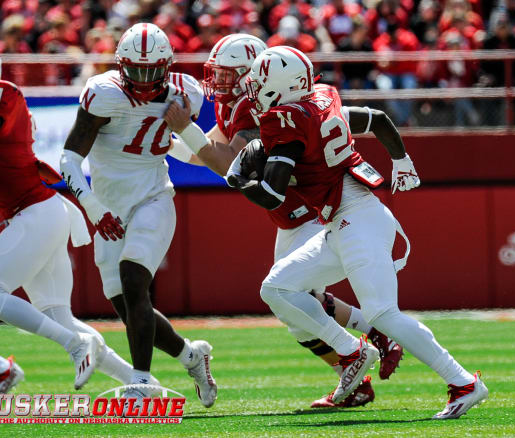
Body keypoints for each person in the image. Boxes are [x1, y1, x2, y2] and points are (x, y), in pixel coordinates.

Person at [227, 46, 488, 419]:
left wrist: (236, 180)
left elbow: (271, 195)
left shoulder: (284, 120)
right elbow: (379, 119)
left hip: (356, 220)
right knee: (277, 288)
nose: (253, 90)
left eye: (260, 83)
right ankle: (351, 350)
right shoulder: (321, 99)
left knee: (383, 313)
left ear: (280, 87)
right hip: (346, 220)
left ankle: (463, 383)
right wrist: (402, 160)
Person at [165, 33, 403, 408]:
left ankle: (361, 350)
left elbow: (228, 162)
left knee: (292, 298)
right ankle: (363, 361)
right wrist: (169, 142)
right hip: (289, 216)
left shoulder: (259, 106)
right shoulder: (237, 104)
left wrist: (184, 130)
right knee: (299, 305)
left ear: (253, 74)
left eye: (228, 75)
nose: (219, 82)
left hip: (306, 210)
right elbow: (204, 151)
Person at [59, 23, 217, 407]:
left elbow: (164, 141)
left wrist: (196, 152)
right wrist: (94, 208)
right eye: (137, 70)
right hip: (108, 206)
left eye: (152, 70)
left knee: (134, 282)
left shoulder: (187, 91)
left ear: (167, 66)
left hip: (153, 196)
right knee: (127, 306)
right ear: (121, 66)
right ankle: (191, 357)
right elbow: (69, 159)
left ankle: (141, 381)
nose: (145, 79)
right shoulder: (102, 93)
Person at [0, 40, 101, 391]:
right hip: (35, 213)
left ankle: (75, 345)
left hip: (37, 211)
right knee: (57, 313)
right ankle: (135, 377)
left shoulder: (2, 94)